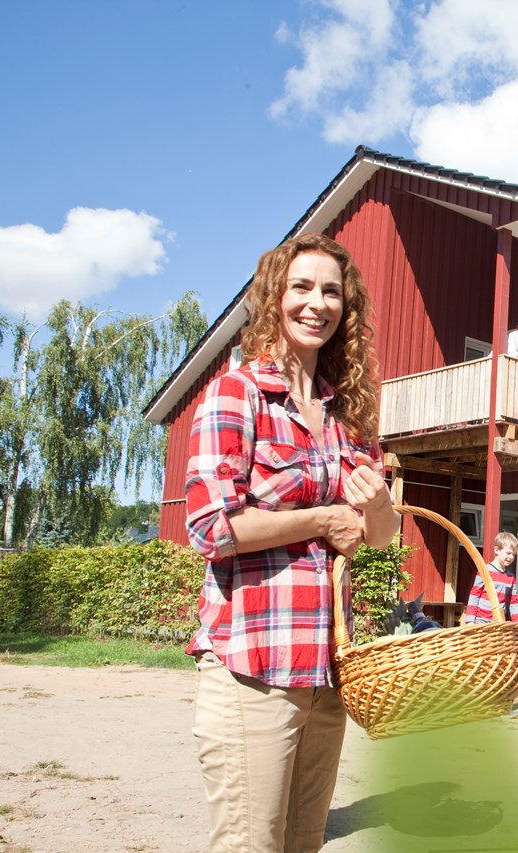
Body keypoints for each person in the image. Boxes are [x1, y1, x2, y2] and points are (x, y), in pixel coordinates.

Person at [184, 233, 400, 852]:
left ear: (346, 309)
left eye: (331, 291)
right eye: (301, 286)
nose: (317, 303)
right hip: (252, 666)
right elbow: (211, 527)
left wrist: (378, 504)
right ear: (274, 296)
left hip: (326, 672)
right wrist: (321, 519)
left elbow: (376, 538)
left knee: (304, 844)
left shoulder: (347, 418)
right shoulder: (238, 394)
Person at [463, 530, 518, 625]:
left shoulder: (510, 577)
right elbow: (475, 595)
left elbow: (513, 602)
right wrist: (470, 620)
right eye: (508, 553)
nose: (511, 557)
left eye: (514, 554)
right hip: (480, 621)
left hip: (499, 622)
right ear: (496, 550)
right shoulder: (485, 571)